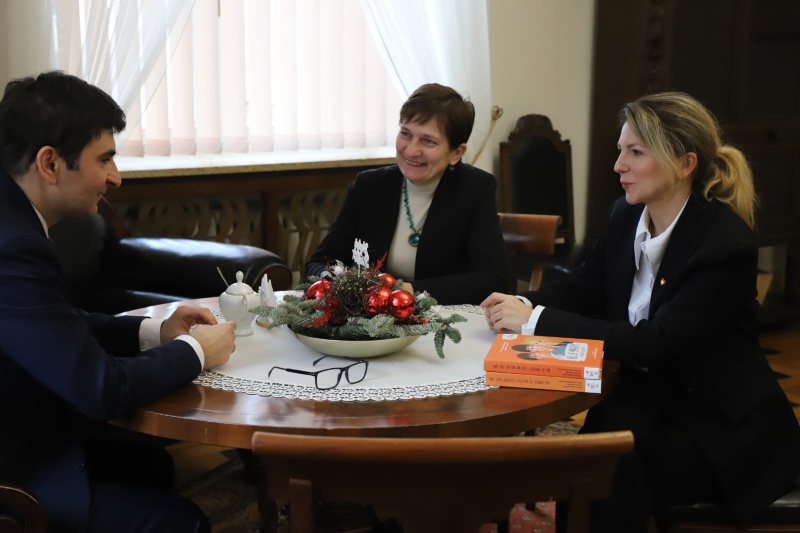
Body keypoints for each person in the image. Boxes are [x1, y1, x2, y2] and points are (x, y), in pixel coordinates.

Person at [481, 92, 800, 532]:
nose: (618, 166)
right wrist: (524, 303)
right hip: (649, 391)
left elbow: (656, 343)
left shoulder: (724, 245)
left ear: (685, 164)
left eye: (635, 152)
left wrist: (535, 322)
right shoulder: (626, 215)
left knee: (616, 470)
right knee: (591, 460)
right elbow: (584, 286)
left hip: (717, 419)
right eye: (620, 151)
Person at [0, 71, 237, 533]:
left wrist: (156, 331)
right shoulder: (12, 246)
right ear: (50, 163)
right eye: (105, 158)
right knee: (185, 523)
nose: (116, 177)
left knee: (151, 466)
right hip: (15, 474)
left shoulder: (13, 218)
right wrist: (195, 351)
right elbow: (101, 390)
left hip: (25, 427)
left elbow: (55, 322)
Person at [304, 83, 509, 305]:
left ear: (456, 153)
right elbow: (319, 263)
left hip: (444, 317)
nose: (411, 150)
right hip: (369, 317)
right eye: (405, 133)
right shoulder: (368, 186)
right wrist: (337, 282)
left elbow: (492, 279)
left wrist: (408, 291)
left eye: (428, 141)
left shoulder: (475, 189)